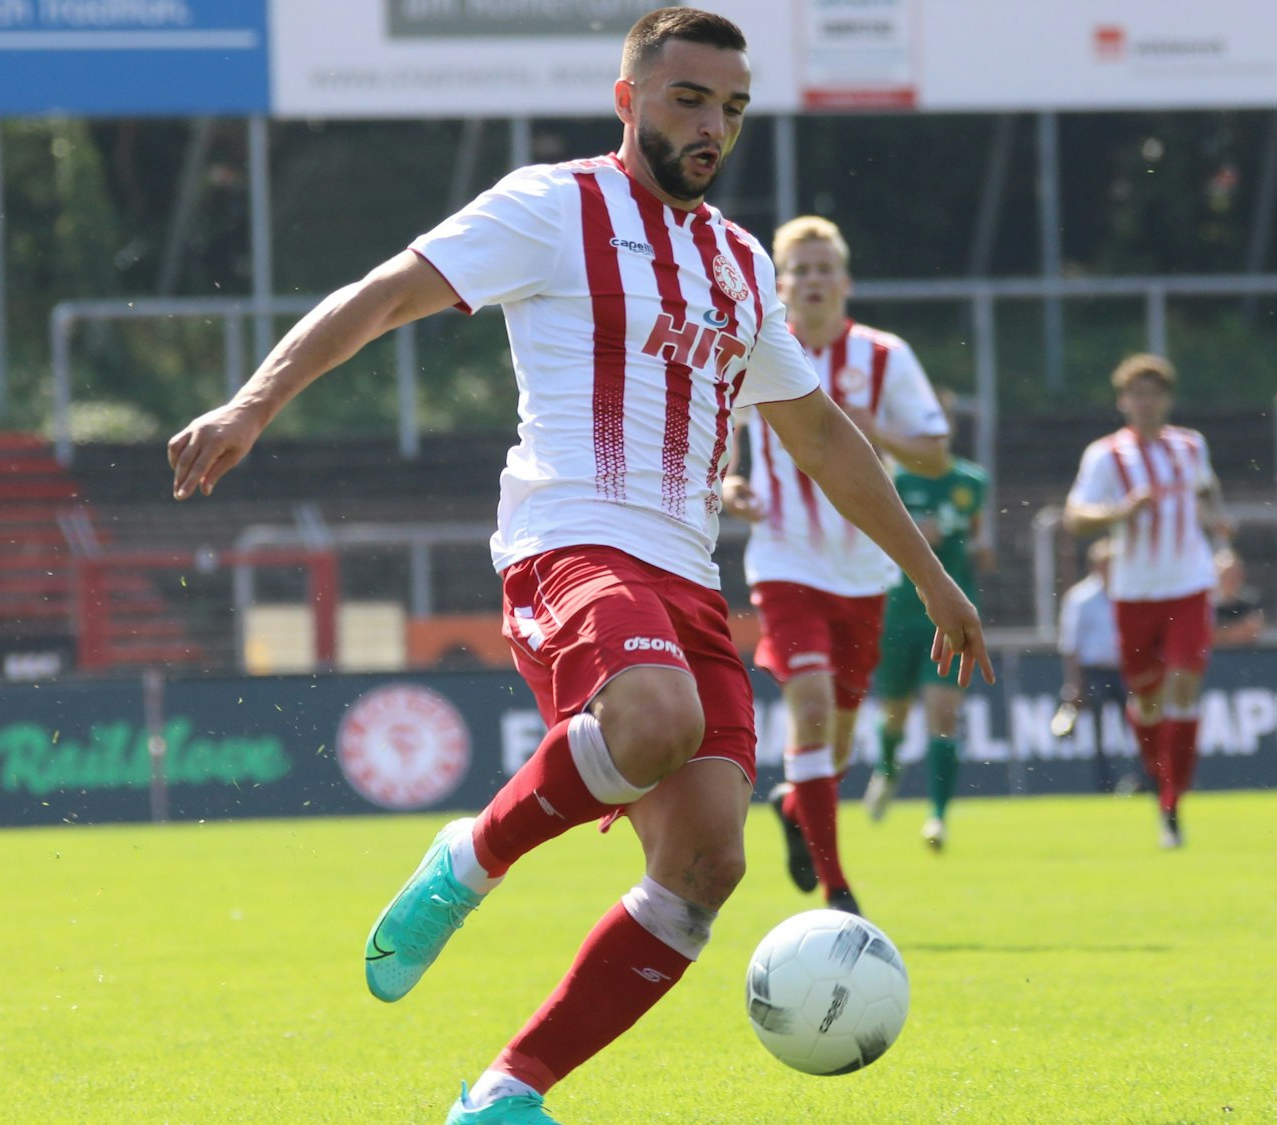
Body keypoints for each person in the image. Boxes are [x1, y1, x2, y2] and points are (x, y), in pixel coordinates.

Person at [165, 11, 990, 1124]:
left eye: (732, 110)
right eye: (690, 99)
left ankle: (505, 1096)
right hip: (572, 544)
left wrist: (928, 573)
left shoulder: (741, 265)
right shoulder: (553, 208)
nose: (712, 127)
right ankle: (472, 860)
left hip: (686, 577)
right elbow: (384, 295)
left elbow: (823, 436)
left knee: (706, 869)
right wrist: (253, 398)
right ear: (629, 97)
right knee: (652, 716)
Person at [720, 215, 951, 912]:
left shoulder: (884, 357)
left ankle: (797, 804)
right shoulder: (759, 347)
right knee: (812, 707)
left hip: (863, 568)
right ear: (780, 283)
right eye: (801, 270)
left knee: (841, 727)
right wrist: (731, 485)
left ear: (844, 283)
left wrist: (867, 428)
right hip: (786, 561)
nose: (814, 281)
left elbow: (935, 454)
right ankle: (837, 888)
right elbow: (727, 439)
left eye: (826, 269)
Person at [1063, 354, 1229, 850]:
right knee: (1148, 700)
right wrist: (1120, 511)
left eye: (1154, 392)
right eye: (1137, 393)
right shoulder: (1106, 456)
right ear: (1123, 402)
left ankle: (1172, 800)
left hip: (1189, 584)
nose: (1145, 401)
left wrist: (1220, 535)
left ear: (1167, 400)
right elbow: (1075, 517)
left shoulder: (1190, 445)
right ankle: (1163, 782)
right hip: (1134, 592)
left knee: (1183, 684)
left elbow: (1207, 489)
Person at [857, 391, 989, 849]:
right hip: (895, 610)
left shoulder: (972, 481)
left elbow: (977, 544)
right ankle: (888, 768)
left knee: (943, 712)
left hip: (946, 611)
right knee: (893, 712)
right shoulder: (888, 476)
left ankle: (937, 817)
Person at [1056, 538, 1131, 795]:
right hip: (1095, 671)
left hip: (1125, 670)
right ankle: (1104, 784)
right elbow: (1070, 644)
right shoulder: (1080, 598)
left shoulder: (1128, 592)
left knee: (1138, 727)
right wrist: (1074, 683)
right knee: (1098, 734)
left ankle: (1142, 780)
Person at [1211, 547, 1266, 647]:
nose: (1232, 578)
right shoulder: (1206, 604)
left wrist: (1221, 634)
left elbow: (1252, 631)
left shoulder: (1251, 601)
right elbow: (1204, 636)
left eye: (1236, 573)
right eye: (1227, 574)